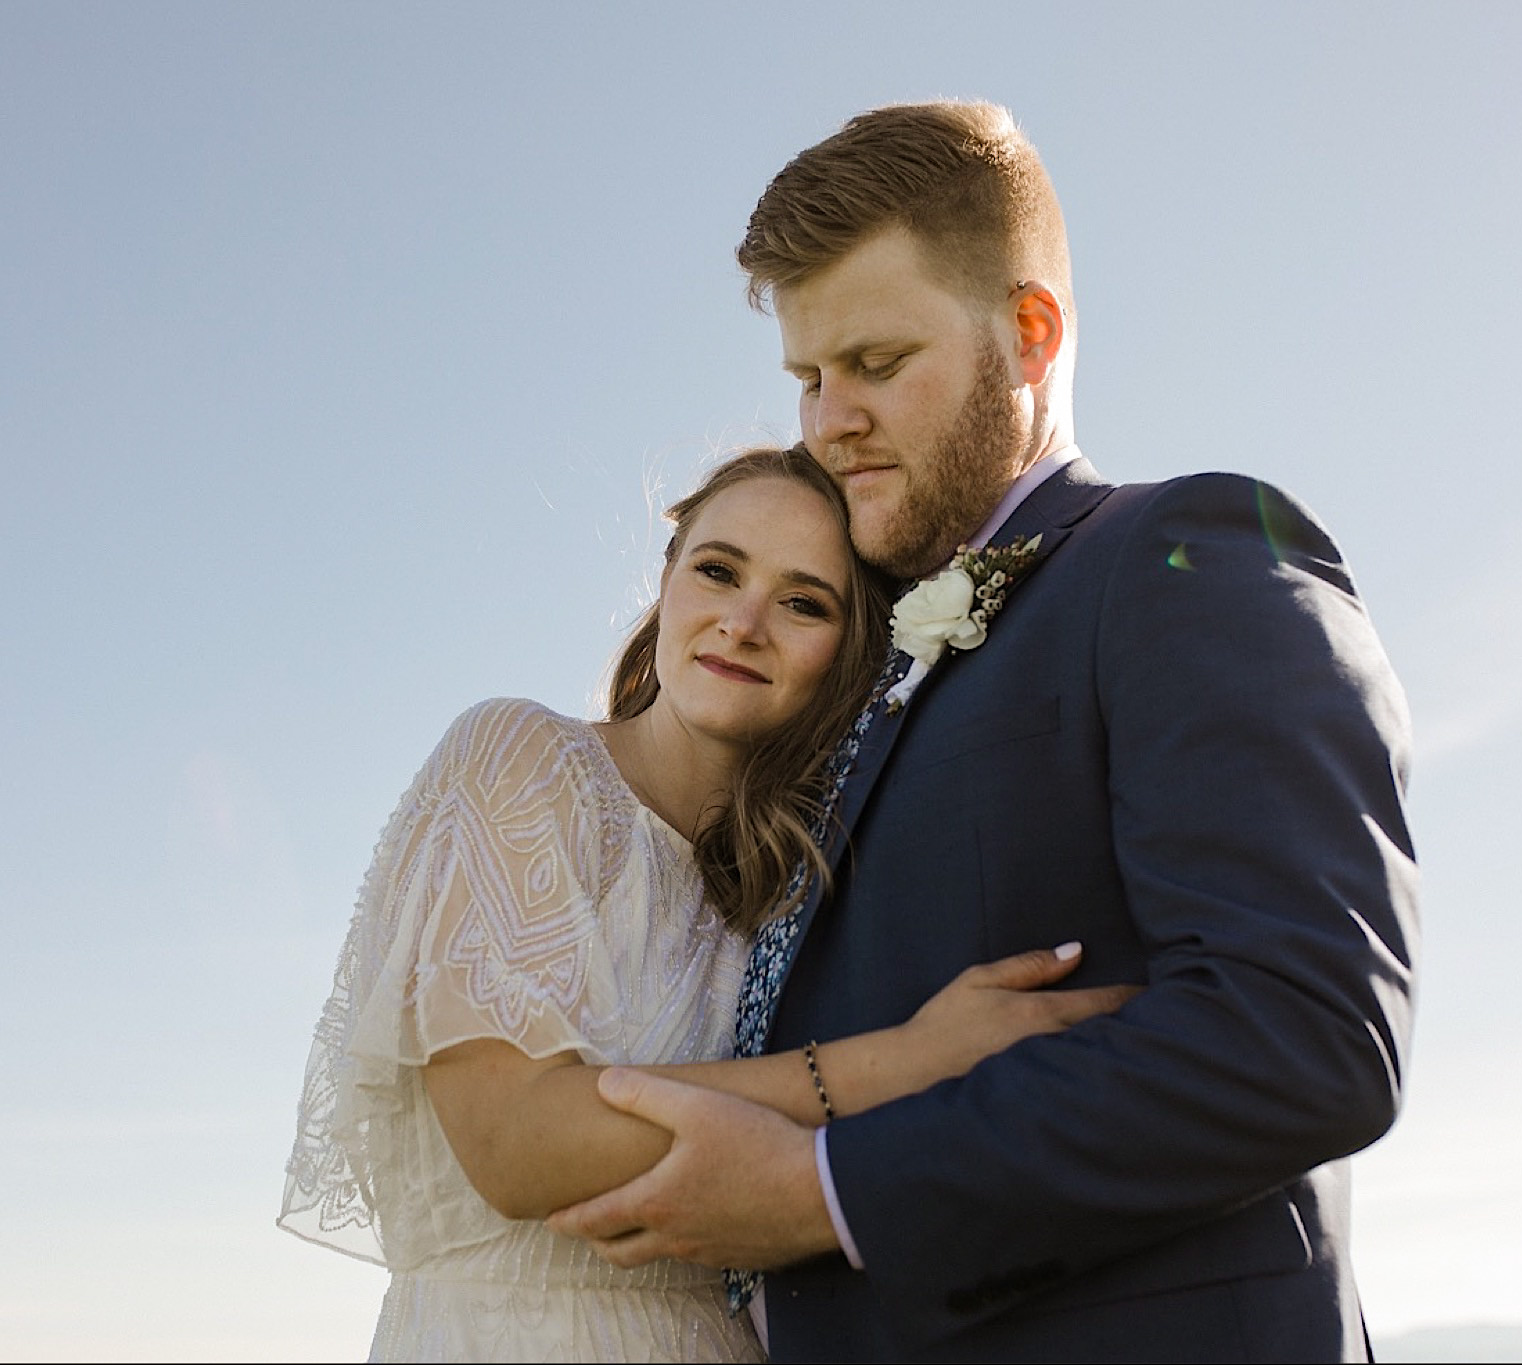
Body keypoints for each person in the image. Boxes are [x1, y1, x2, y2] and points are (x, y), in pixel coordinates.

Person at [546, 102, 1420, 1362]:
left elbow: (1303, 1032)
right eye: (807, 379)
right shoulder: (855, 650)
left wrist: (825, 1192)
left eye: (876, 362)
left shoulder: (1185, 557)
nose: (827, 422)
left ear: (1029, 332)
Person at [277, 445, 1137, 1361]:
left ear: (852, 651)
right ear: (667, 579)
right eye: (719, 571)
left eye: (804, 603)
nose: (743, 623)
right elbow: (514, 1141)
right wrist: (909, 1061)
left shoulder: (810, 881)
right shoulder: (522, 762)